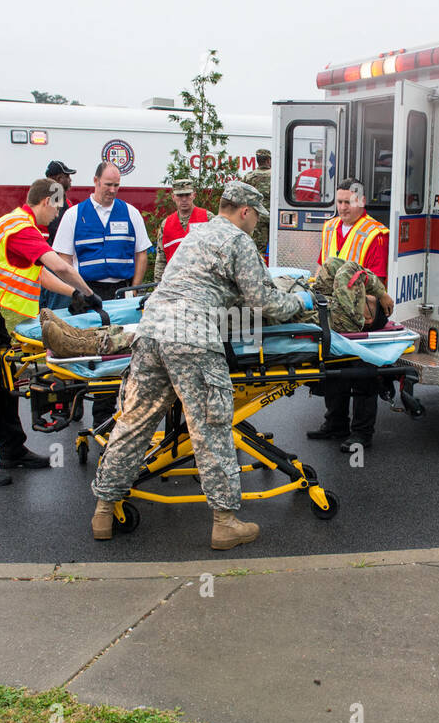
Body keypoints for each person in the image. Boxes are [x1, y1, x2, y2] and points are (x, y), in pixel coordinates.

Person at [90, 181, 306, 551]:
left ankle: (104, 510)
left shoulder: (195, 234)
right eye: (256, 217)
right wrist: (299, 302)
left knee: (134, 421)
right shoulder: (239, 241)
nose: (256, 225)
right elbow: (263, 302)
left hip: (151, 332)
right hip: (191, 337)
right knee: (211, 427)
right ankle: (225, 524)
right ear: (244, 211)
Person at [0, 178, 102, 486]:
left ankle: (12, 451)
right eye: (57, 207)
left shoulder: (20, 226)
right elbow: (60, 267)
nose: (57, 214)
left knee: (4, 385)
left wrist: (74, 297)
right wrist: (88, 292)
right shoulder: (21, 228)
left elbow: (42, 274)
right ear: (47, 201)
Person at [50, 161, 153, 434]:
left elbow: (141, 252)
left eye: (117, 185)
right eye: (108, 185)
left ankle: (112, 418)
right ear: (95, 182)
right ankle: (86, 409)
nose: (112, 190)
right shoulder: (75, 216)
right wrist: (77, 290)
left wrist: (134, 288)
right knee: (90, 353)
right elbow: (62, 257)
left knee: (118, 354)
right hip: (88, 293)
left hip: (120, 292)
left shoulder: (129, 213)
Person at [307, 179, 390, 452]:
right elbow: (322, 267)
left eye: (348, 202)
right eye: (339, 202)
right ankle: (336, 424)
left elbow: (377, 281)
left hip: (364, 309)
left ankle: (361, 434)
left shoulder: (375, 233)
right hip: (333, 307)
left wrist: (358, 313)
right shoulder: (330, 227)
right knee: (333, 368)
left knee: (363, 371)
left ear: (361, 202)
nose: (342, 208)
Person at [152, 178, 210, 283]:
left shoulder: (208, 218)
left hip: (203, 284)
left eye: (187, 195)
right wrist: (158, 286)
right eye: (180, 195)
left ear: (194, 195)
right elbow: (161, 260)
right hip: (175, 286)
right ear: (173, 197)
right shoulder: (166, 224)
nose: (184, 199)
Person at [39, 160, 77, 314]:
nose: (71, 180)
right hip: (54, 261)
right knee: (58, 308)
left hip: (54, 260)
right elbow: (47, 235)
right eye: (68, 176)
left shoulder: (63, 201)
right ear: (60, 179)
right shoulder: (51, 202)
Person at [239, 147, 272, 262]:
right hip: (273, 219)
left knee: (258, 249)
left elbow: (241, 197)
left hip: (255, 218)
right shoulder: (276, 176)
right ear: (268, 160)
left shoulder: (249, 177)